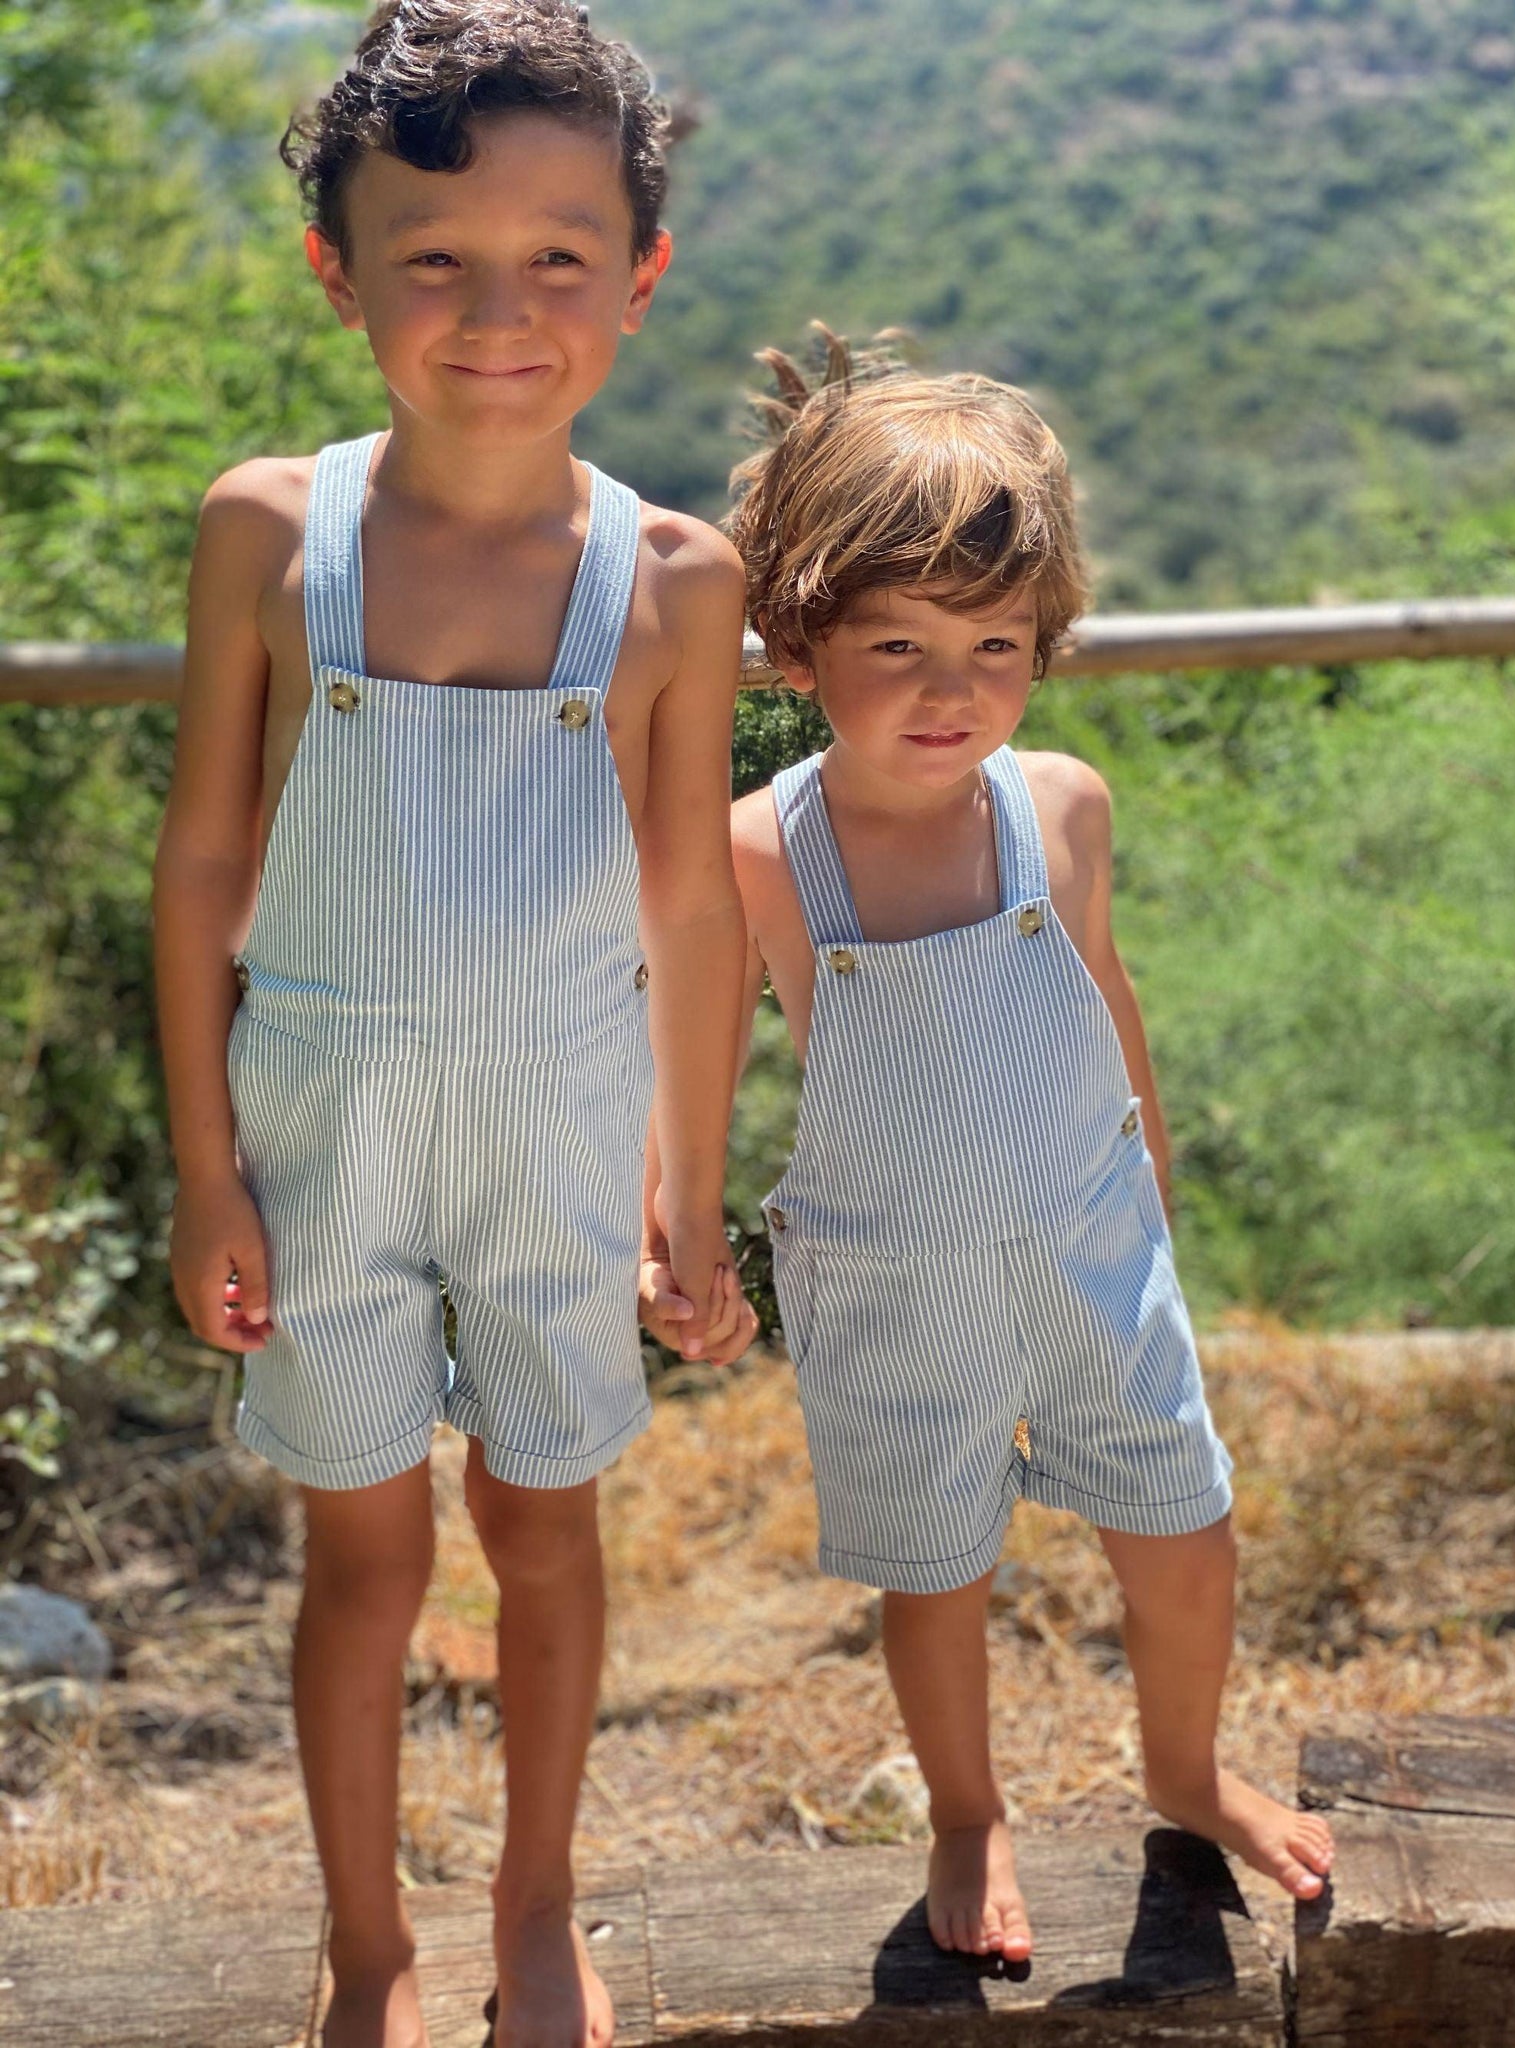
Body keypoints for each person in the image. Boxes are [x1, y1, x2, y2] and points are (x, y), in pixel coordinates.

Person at [153, 6, 751, 2044]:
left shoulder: (673, 578)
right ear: (338, 271)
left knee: (544, 1521)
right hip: (317, 1135)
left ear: (640, 278)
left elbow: (689, 902)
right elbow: (205, 866)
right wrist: (208, 1171)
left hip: (563, 1132)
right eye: (435, 258)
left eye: (560, 257)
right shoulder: (270, 532)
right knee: (363, 1555)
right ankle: (368, 1943)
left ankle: (535, 1909)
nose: (500, 313)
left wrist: (688, 1185)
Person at [646, 330, 1334, 1966]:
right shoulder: (759, 851)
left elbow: (1103, 990)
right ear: (799, 643)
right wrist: (677, 1226)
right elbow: (688, 1055)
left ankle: (1187, 1769)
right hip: (892, 1276)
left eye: (995, 645)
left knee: (1184, 1526)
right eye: (896, 643)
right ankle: (967, 1809)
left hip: (1091, 1245)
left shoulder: (1061, 806)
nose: (950, 691)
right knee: (937, 1566)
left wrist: (1149, 1192)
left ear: (1047, 638)